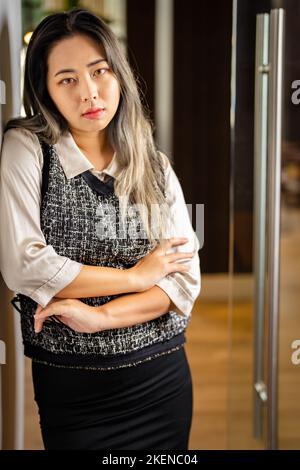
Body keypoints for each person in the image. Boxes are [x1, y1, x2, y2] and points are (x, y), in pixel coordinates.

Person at [0, 8, 201, 450]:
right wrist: (136, 277)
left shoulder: (154, 164)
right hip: (74, 393)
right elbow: (25, 265)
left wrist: (99, 317)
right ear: (46, 90)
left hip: (161, 378)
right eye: (67, 79)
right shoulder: (27, 148)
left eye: (99, 71)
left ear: (118, 74)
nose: (89, 92)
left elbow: (183, 283)